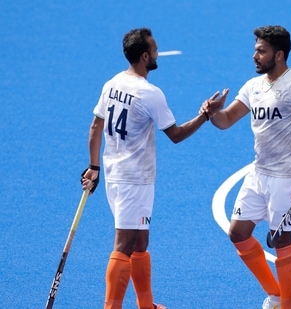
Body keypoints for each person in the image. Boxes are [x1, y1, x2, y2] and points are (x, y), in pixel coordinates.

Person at [80, 27, 228, 309]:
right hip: (134, 181)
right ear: (145, 56)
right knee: (123, 245)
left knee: (139, 242)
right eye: (155, 49)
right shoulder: (150, 94)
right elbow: (176, 135)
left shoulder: (112, 83)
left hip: (115, 175)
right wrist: (206, 114)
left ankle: (146, 305)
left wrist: (94, 166)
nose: (159, 52)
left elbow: (95, 126)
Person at [201, 25, 291, 309]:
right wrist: (211, 112)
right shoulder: (253, 86)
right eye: (255, 50)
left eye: (261, 51)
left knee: (282, 241)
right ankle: (276, 293)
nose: (254, 55)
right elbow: (226, 121)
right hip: (258, 174)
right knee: (238, 233)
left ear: (279, 55)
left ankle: (288, 305)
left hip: (286, 177)